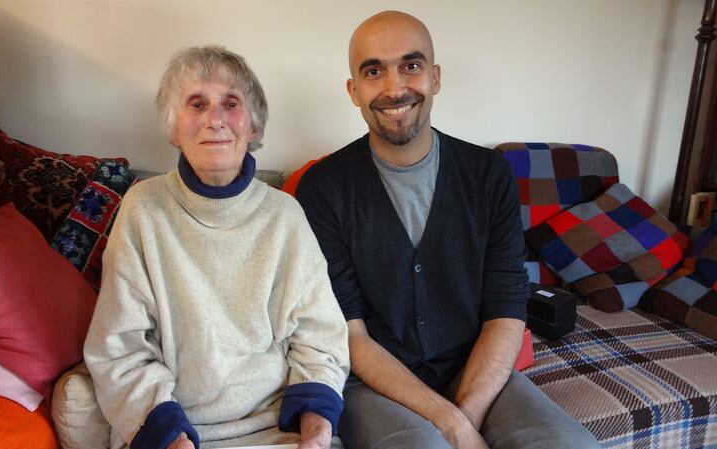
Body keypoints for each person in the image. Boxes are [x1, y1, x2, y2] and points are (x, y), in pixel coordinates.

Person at [295, 11, 601, 449]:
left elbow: (506, 311)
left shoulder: (488, 175)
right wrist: (450, 425)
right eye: (374, 71)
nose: (395, 87)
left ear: (435, 78)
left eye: (411, 65)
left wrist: (467, 416)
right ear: (354, 90)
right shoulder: (324, 188)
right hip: (371, 384)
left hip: (473, 370)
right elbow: (351, 332)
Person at [84, 46, 350, 449]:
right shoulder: (143, 210)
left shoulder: (285, 215)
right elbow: (119, 349)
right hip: (172, 434)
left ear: (254, 126)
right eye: (197, 104)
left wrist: (316, 434)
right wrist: (173, 440)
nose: (215, 119)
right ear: (174, 127)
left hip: (280, 431)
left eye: (231, 103)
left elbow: (321, 339)